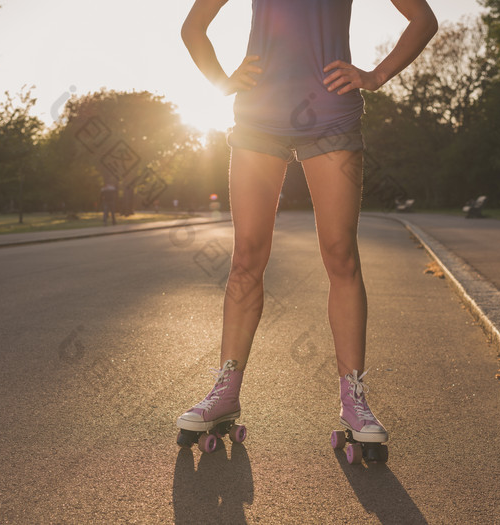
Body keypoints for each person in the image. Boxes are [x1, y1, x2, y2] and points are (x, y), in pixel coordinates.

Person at [176, 0, 438, 451]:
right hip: (259, 118)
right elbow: (193, 27)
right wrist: (221, 80)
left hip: (332, 117)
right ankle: (225, 393)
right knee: (246, 259)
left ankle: (354, 401)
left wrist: (375, 76)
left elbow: (423, 20)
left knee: (341, 256)